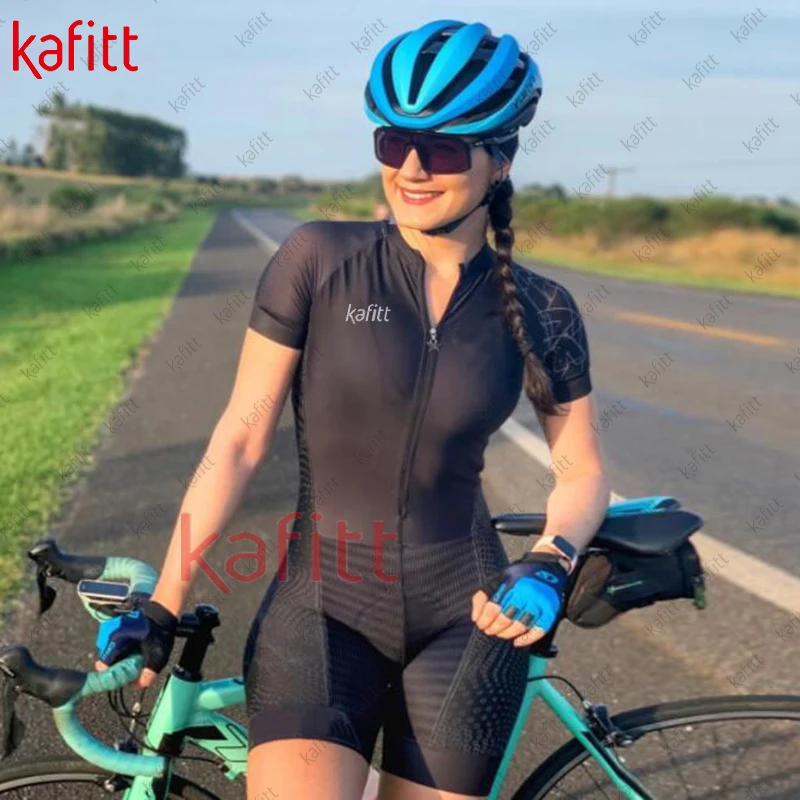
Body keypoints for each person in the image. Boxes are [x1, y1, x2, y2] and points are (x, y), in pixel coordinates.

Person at [106, 19, 610, 800]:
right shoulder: (318, 259)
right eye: (392, 142)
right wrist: (164, 603)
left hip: (471, 619)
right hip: (323, 609)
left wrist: (551, 559)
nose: (411, 168)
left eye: (442, 150)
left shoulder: (543, 308)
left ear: (502, 160)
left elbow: (582, 472)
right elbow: (239, 440)